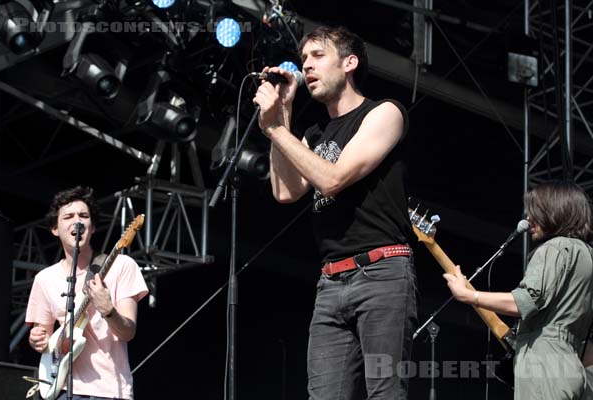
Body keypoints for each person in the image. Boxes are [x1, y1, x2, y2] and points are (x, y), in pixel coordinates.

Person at [253, 25, 417, 399]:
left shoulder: (385, 113)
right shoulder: (315, 132)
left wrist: (276, 130)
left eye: (317, 56)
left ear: (349, 63)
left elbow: (333, 179)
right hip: (330, 282)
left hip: (382, 272)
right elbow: (285, 191)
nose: (306, 66)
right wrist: (286, 114)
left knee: (385, 393)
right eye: (303, 59)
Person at [444, 181, 593, 400]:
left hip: (544, 363)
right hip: (573, 365)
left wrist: (469, 296)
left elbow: (524, 301)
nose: (528, 219)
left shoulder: (554, 248)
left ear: (555, 211)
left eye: (535, 211)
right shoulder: (587, 255)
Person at [26, 186, 148, 400]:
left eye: (84, 216)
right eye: (68, 216)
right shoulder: (44, 279)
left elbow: (128, 332)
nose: (77, 221)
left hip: (109, 391)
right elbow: (43, 339)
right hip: (61, 389)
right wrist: (37, 340)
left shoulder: (121, 265)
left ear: (92, 228)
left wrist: (107, 310)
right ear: (55, 228)